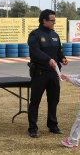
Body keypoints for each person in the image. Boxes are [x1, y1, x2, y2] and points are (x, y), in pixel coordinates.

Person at [27, 9, 68, 138]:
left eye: (55, 20)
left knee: (54, 100)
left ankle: (53, 125)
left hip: (54, 73)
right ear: (44, 20)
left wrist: (62, 58)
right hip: (40, 73)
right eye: (52, 20)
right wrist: (48, 59)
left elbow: (58, 51)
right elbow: (35, 51)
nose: (54, 22)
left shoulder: (55, 35)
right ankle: (33, 128)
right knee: (35, 101)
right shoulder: (35, 35)